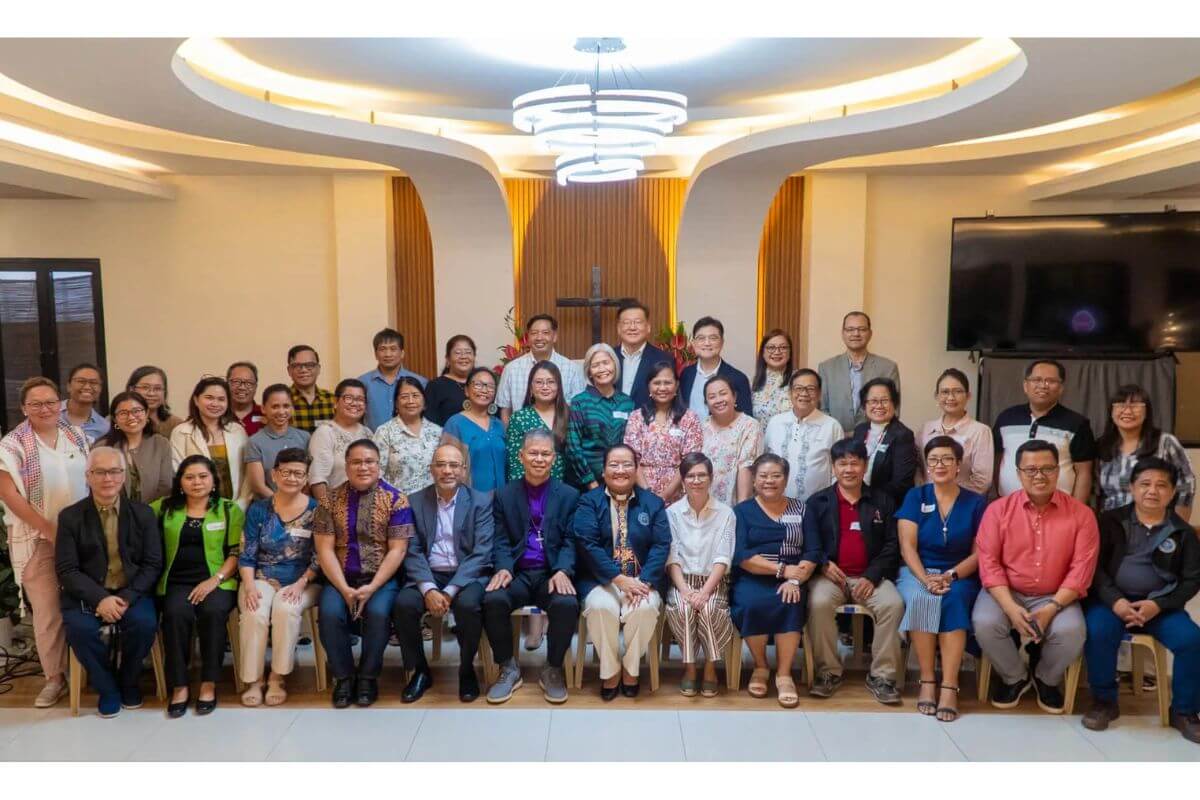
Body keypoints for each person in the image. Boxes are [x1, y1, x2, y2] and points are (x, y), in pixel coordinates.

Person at [973, 440, 1100, 713]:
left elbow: (1081, 571)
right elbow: (989, 564)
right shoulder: (997, 511)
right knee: (984, 623)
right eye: (1030, 470)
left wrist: (1052, 608)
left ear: (1058, 471)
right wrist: (1010, 607)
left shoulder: (1082, 515)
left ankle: (1046, 678)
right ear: (1018, 473)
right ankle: (1015, 676)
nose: (1039, 476)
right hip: (1006, 591)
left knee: (1071, 632)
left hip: (1056, 594)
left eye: (1047, 468)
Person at [1082, 457, 1200, 742]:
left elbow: (1192, 579)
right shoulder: (1110, 522)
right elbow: (1094, 570)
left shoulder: (1182, 532)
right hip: (1111, 603)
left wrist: (1157, 604)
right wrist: (1117, 602)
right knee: (1098, 632)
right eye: (1145, 484)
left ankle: (1184, 711)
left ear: (1172, 493)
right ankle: (1105, 702)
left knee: (1192, 640)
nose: (1152, 491)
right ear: (1132, 488)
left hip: (1160, 607)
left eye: (1161, 486)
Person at [0, 377, 89, 708]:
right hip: (39, 537)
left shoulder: (76, 436)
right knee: (48, 612)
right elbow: (8, 494)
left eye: (51, 402)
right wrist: (49, 529)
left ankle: (90, 669)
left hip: (82, 537)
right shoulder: (12, 445)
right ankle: (55, 678)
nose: (45, 409)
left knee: (87, 601)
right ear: (24, 408)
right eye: (36, 404)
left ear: (61, 403)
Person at [56, 447, 162, 717]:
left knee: (144, 623)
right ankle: (107, 687)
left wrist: (126, 597)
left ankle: (128, 681)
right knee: (79, 630)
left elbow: (152, 564)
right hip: (87, 594)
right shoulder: (70, 517)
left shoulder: (143, 514)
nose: (107, 479)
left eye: (114, 471)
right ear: (88, 476)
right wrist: (99, 599)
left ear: (123, 476)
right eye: (99, 472)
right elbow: (67, 569)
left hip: (131, 592)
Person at [803, 438, 904, 704]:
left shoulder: (883, 501)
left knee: (893, 604)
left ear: (865, 465)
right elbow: (809, 542)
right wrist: (823, 562)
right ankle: (828, 672)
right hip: (830, 577)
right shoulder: (818, 502)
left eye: (855, 463)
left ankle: (883, 676)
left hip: (871, 577)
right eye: (842, 463)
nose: (849, 469)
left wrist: (872, 575)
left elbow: (893, 545)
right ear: (833, 467)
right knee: (818, 602)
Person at [483, 430, 581, 704]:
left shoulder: (570, 495)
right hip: (518, 571)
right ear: (521, 456)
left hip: (551, 572)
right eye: (533, 453)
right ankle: (508, 667)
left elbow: (572, 540)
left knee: (566, 603)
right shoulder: (504, 495)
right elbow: (500, 538)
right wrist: (503, 567)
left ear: (554, 458)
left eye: (545, 453)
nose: (539, 459)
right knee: (492, 599)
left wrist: (563, 569)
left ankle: (552, 668)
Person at [314, 439, 412, 708]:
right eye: (356, 462)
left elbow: (398, 550)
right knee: (330, 614)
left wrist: (372, 586)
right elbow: (324, 550)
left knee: (379, 613)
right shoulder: (328, 500)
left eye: (369, 461)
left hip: (382, 579)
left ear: (379, 466)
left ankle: (368, 677)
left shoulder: (395, 499)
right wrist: (344, 588)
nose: (363, 467)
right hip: (339, 578)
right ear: (346, 466)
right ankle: (344, 678)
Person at [393, 442, 494, 704]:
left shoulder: (480, 501)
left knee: (469, 605)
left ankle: (466, 669)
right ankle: (420, 670)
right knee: (404, 604)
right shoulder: (414, 501)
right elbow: (411, 550)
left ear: (463, 470)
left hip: (466, 574)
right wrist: (428, 588)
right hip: (428, 573)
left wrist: (448, 592)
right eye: (441, 465)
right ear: (431, 469)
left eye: (453, 465)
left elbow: (481, 553)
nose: (447, 471)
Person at [896, 435, 987, 723]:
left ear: (959, 464)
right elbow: (907, 547)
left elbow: (980, 552)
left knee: (955, 599)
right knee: (922, 597)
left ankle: (949, 685)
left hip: (959, 572)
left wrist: (950, 575)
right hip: (918, 571)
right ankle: (927, 680)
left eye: (947, 459)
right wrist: (925, 578)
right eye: (933, 459)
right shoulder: (916, 497)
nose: (940, 464)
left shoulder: (976, 502)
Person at [574, 444, 671, 700]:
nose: (620, 470)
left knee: (646, 608)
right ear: (603, 471)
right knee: (600, 608)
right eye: (613, 465)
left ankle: (630, 668)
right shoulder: (588, 502)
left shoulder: (653, 503)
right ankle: (610, 671)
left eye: (627, 464)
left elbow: (662, 545)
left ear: (636, 469)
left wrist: (645, 581)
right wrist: (618, 579)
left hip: (642, 580)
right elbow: (587, 544)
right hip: (601, 579)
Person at [152, 455, 244, 718]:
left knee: (212, 613)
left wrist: (214, 580)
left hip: (218, 581)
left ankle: (208, 683)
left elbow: (236, 552)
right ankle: (180, 686)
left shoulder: (228, 509)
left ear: (214, 480)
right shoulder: (163, 508)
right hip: (176, 581)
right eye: (189, 477)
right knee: (174, 615)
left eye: (203, 476)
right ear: (180, 482)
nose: (196, 482)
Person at [730, 454, 822, 707]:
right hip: (753, 575)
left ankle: (784, 673)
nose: (769, 481)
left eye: (776, 475)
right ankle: (761, 666)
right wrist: (782, 571)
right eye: (763, 476)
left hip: (793, 577)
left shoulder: (802, 509)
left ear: (786, 478)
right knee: (751, 604)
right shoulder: (742, 511)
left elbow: (812, 551)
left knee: (790, 601)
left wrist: (796, 579)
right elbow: (741, 555)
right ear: (754, 480)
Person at [237, 448, 320, 707]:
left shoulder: (318, 510)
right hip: (261, 576)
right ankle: (254, 679)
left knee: (286, 608)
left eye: (299, 474)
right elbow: (248, 553)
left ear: (306, 478)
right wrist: (249, 585)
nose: (292, 478)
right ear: (274, 474)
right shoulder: (258, 510)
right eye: (286, 472)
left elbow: (321, 556)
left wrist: (301, 582)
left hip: (304, 580)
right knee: (255, 611)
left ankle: (277, 676)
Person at [665, 453, 736, 698]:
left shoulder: (726, 513)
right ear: (683, 480)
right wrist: (685, 590)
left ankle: (709, 668)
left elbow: (723, 557)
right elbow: (672, 556)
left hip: (713, 582)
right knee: (683, 608)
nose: (696, 480)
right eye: (690, 476)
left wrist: (705, 592)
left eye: (701, 475)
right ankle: (690, 669)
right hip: (682, 580)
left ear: (711, 478)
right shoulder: (672, 513)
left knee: (709, 610)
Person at [993, 359, 1096, 502]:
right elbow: (997, 460)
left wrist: (1077, 511)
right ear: (1025, 385)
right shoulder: (1006, 418)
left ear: (1061, 388)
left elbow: (1083, 472)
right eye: (1036, 379)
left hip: (1060, 510)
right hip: (1009, 508)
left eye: (1051, 381)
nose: (1043, 385)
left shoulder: (1077, 423)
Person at [1094, 383, 1195, 520]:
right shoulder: (1102, 445)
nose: (1127, 411)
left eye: (1135, 406)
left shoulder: (1165, 442)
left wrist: (1177, 529)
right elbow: (1095, 493)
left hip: (1156, 526)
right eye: (1121, 405)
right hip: (1112, 527)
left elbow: (1186, 486)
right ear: (1111, 412)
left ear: (1147, 412)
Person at [623, 362, 703, 504]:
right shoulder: (637, 417)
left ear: (677, 385)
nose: (662, 388)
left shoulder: (689, 418)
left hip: (678, 494)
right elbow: (632, 458)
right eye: (657, 383)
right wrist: (648, 495)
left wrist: (665, 495)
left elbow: (689, 461)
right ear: (649, 386)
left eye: (667, 383)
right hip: (642, 493)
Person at [763, 368, 844, 503]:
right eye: (798, 388)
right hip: (775, 505)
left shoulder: (832, 426)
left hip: (817, 507)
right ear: (790, 392)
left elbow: (838, 470)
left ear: (819, 394)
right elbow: (764, 461)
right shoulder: (775, 423)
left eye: (810, 389)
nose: (804, 393)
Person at [169, 377, 249, 506]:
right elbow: (178, 472)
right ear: (196, 400)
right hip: (196, 506)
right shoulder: (181, 432)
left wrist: (242, 503)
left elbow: (248, 472)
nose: (215, 404)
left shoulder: (237, 430)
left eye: (221, 399)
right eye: (209, 397)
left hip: (236, 506)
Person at [565, 343, 634, 492]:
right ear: (589, 372)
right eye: (595, 365)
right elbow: (573, 447)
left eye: (606, 363)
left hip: (621, 481)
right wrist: (591, 483)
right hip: (586, 485)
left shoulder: (627, 403)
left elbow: (632, 444)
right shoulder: (580, 402)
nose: (602, 369)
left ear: (614, 366)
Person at [817, 312, 901, 432]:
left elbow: (894, 410)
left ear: (870, 334)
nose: (856, 334)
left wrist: (867, 436)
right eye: (850, 329)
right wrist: (837, 434)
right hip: (837, 441)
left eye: (861, 329)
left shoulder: (888, 367)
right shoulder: (826, 368)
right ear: (842, 333)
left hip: (876, 441)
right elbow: (821, 409)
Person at [916, 368, 994, 495]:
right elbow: (918, 470)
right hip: (926, 501)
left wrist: (949, 496)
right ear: (937, 396)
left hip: (963, 504)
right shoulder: (925, 429)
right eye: (945, 392)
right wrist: (925, 494)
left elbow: (982, 480)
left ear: (968, 396)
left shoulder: (980, 431)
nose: (951, 397)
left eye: (957, 391)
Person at [495, 314, 585, 423]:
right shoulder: (511, 369)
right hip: (521, 437)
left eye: (545, 333)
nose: (539, 337)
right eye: (534, 333)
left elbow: (579, 410)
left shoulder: (572, 370)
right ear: (528, 337)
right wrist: (511, 437)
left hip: (561, 437)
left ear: (555, 336)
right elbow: (505, 410)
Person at [851, 377, 917, 507]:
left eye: (885, 400)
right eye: (873, 401)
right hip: (857, 501)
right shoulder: (860, 430)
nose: (879, 406)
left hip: (885, 507)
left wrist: (866, 496)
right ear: (865, 405)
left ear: (894, 404)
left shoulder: (903, 435)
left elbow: (901, 483)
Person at [98, 390, 172, 503]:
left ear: (147, 413)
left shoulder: (161, 444)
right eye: (123, 413)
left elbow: (166, 486)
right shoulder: (102, 448)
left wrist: (146, 513)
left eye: (136, 411)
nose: (131, 417)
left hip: (154, 514)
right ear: (114, 419)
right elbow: (98, 486)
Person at [442, 367, 507, 492]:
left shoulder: (499, 425)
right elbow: (446, 467)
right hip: (470, 501)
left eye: (490, 386)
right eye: (478, 385)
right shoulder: (455, 424)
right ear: (466, 390)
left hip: (501, 501)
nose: (484, 390)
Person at [701, 375, 763, 506]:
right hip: (705, 504)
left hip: (735, 503)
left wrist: (741, 509)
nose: (718, 400)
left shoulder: (749, 426)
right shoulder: (701, 427)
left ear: (734, 396)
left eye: (723, 394)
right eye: (712, 397)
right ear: (706, 403)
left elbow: (746, 468)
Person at [375, 376, 442, 495]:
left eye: (416, 396)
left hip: (433, 503)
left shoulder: (438, 432)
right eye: (404, 397)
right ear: (396, 403)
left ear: (424, 401)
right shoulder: (385, 432)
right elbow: (376, 474)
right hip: (397, 505)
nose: (411, 401)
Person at [308, 379, 373, 501]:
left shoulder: (368, 433)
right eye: (348, 398)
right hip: (338, 508)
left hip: (369, 507)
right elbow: (317, 479)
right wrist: (329, 512)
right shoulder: (325, 432)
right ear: (336, 402)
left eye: (360, 399)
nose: (354, 403)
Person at [244, 383, 311, 498]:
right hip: (269, 505)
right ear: (263, 409)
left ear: (292, 408)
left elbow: (310, 477)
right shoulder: (255, 442)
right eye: (275, 406)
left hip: (301, 504)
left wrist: (298, 502)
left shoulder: (304, 437)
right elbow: (258, 486)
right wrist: (282, 503)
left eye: (286, 406)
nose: (281, 412)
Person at [505, 361, 568, 483]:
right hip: (528, 490)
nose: (545, 387)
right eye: (539, 382)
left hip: (564, 491)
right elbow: (514, 463)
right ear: (531, 387)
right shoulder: (520, 418)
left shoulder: (569, 415)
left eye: (551, 382)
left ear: (558, 387)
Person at [679, 316, 753, 420]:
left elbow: (747, 420)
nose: (707, 343)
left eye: (713, 338)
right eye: (701, 338)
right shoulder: (686, 374)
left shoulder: (738, 378)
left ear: (722, 342)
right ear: (694, 343)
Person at [360, 328, 427, 431]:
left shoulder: (420, 382)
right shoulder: (363, 383)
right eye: (382, 349)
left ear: (402, 353)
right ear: (375, 354)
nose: (388, 354)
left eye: (393, 349)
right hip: (373, 444)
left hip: (410, 442)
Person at [613, 301, 674, 409]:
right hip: (611, 423)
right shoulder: (609, 357)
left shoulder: (664, 359)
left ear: (648, 327)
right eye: (626, 322)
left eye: (638, 322)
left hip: (649, 422)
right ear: (618, 328)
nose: (632, 327)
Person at [424, 335, 477, 426]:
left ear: (474, 357)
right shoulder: (435, 386)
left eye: (468, 352)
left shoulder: (483, 384)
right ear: (448, 359)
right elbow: (429, 423)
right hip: (447, 438)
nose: (463, 356)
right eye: (457, 353)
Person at [286, 344, 335, 432]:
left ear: (318, 369)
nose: (304, 370)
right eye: (297, 365)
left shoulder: (332, 399)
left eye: (310, 365)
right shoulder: (282, 400)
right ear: (289, 370)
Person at [751, 329, 794, 427]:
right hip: (760, 440)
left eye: (783, 347)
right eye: (771, 347)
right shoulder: (754, 382)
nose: (777, 352)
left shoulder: (799, 380)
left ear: (790, 352)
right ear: (763, 352)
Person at [126, 365, 184, 437]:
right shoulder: (118, 421)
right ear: (131, 389)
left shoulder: (176, 424)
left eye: (157, 388)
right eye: (145, 387)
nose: (151, 393)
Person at [60, 363, 110, 443]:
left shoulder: (104, 427)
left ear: (100, 389)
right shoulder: (49, 412)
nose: (87, 387)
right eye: (81, 381)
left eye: (94, 382)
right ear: (69, 386)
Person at [226, 361, 264, 436]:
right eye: (236, 382)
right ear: (226, 384)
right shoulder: (218, 414)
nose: (242, 387)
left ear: (255, 387)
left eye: (249, 383)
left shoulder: (266, 414)